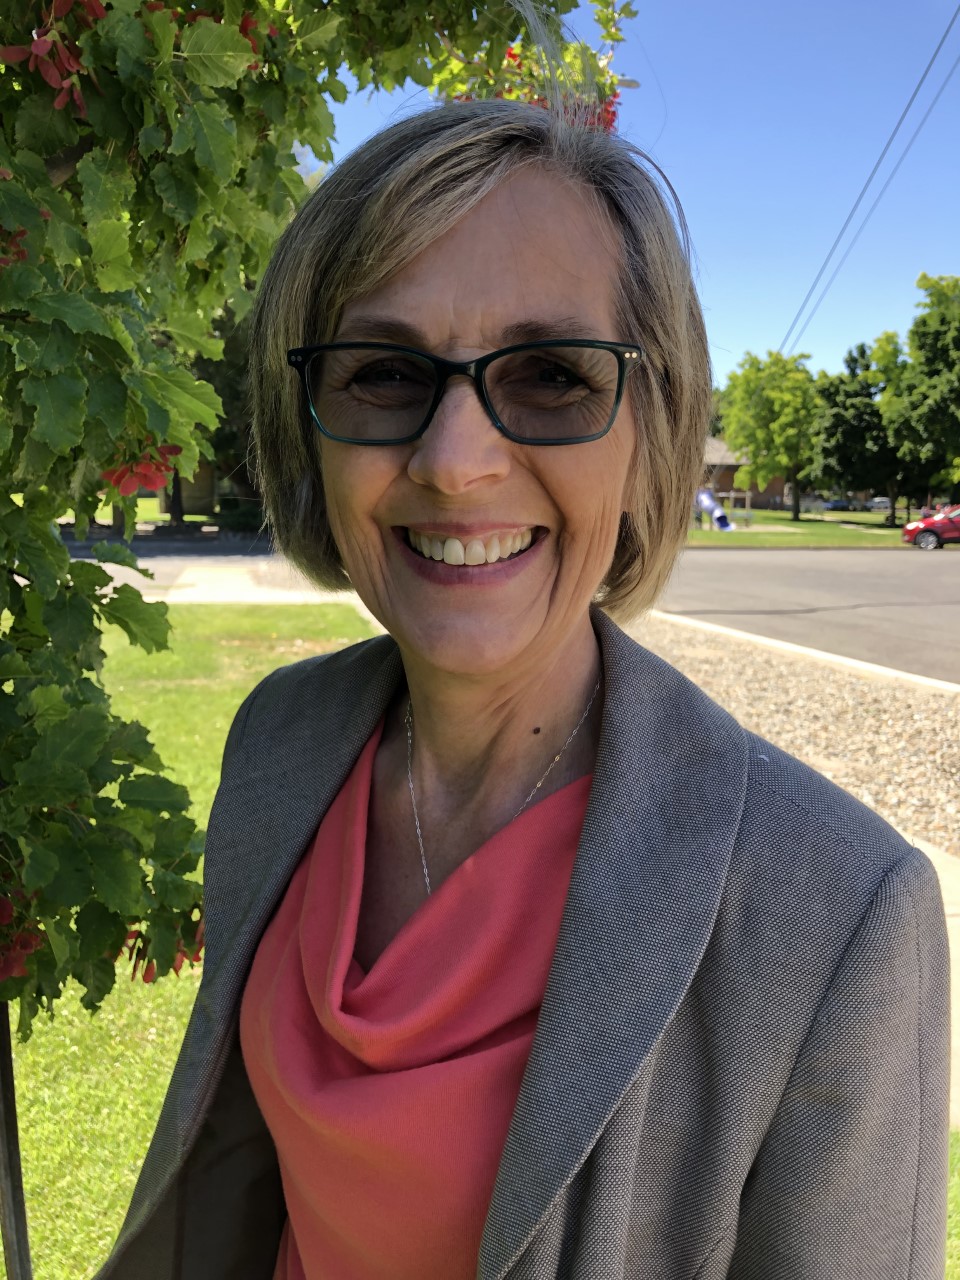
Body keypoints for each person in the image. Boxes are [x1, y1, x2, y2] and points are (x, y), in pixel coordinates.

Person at [95, 96, 949, 1279]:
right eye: (384, 373)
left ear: (650, 434)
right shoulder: (282, 741)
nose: (455, 460)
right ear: (312, 427)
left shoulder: (838, 914)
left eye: (551, 374)